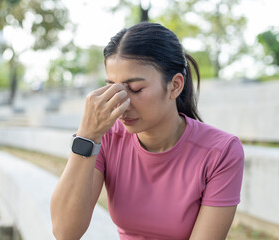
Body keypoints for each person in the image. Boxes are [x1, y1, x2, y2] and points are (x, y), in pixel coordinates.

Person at [50, 22, 244, 240]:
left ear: (175, 86)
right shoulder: (107, 137)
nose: (120, 103)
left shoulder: (221, 151)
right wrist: (87, 135)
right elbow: (64, 232)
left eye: (135, 89)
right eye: (113, 88)